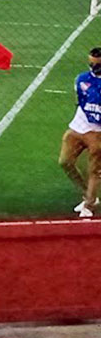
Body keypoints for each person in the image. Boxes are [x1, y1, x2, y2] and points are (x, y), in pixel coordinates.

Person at [61, 46, 101, 217]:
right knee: (65, 162)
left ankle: (90, 205)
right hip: (78, 127)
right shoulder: (81, 79)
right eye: (91, 64)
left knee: (95, 170)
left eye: (97, 65)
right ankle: (88, 195)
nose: (93, 68)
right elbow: (80, 101)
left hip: (98, 132)